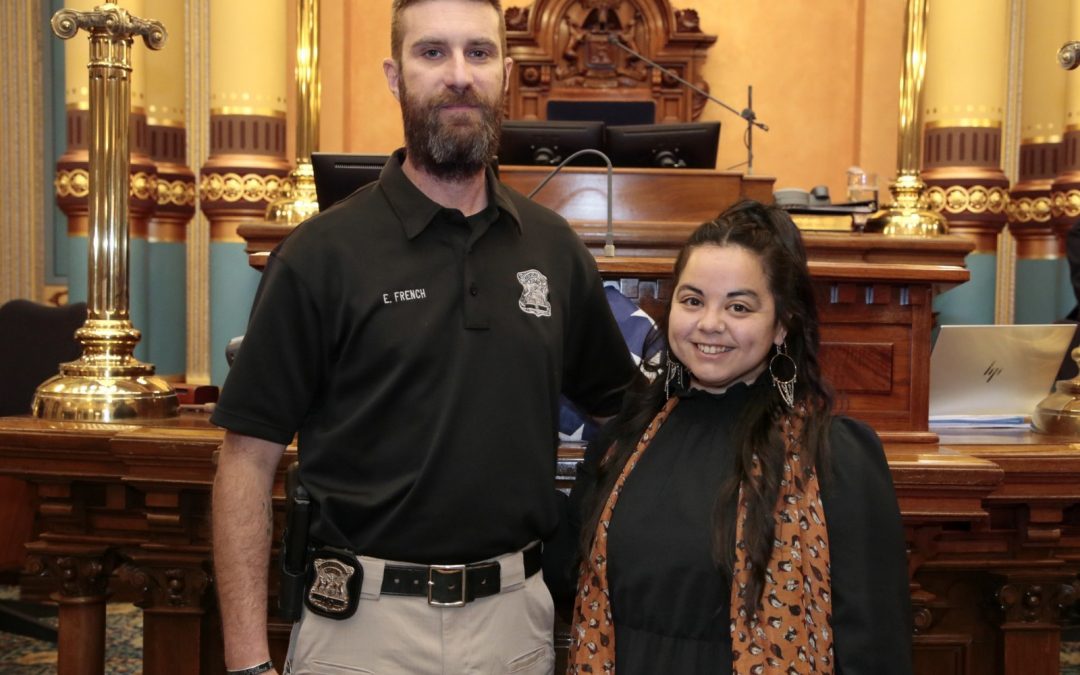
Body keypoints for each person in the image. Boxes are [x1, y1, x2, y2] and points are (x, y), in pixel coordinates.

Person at [209, 0, 637, 673]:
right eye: (432, 52)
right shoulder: (321, 254)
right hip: (359, 630)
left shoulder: (554, 250)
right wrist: (246, 660)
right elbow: (246, 459)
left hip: (513, 626)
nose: (459, 74)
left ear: (505, 71)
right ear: (394, 74)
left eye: (480, 52)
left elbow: (627, 414)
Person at [560, 200, 912, 674]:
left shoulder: (834, 456)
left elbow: (875, 646)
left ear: (782, 324)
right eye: (692, 300)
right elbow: (566, 574)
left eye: (739, 306)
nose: (709, 323)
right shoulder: (624, 439)